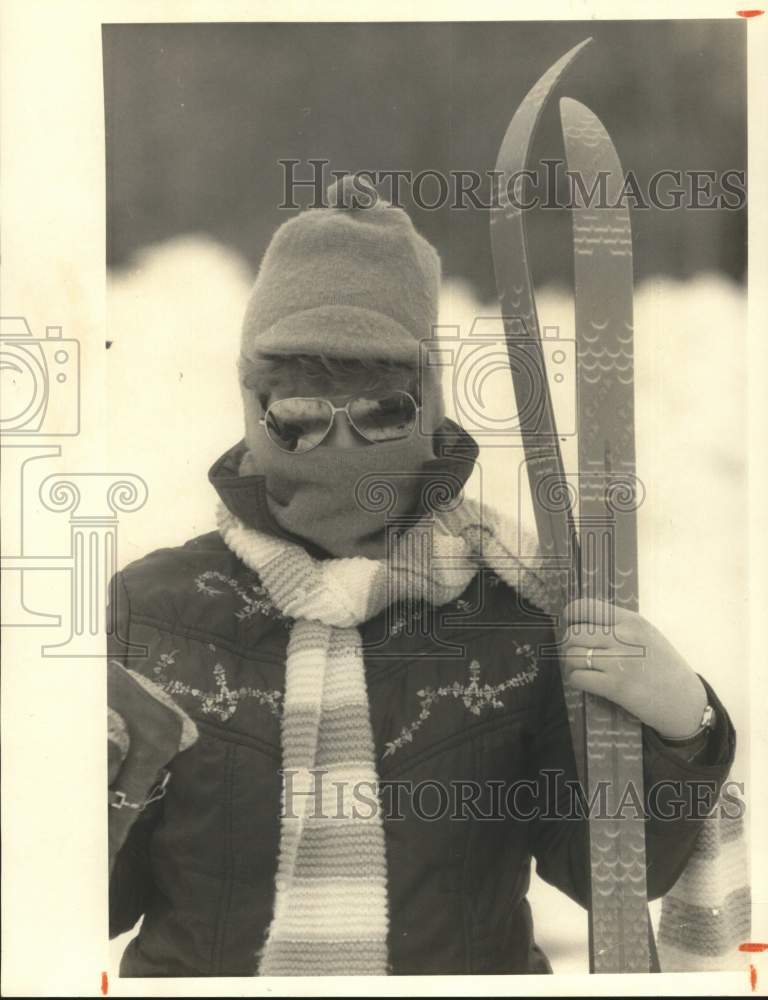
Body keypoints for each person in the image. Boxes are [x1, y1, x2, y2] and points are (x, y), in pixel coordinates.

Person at [107, 175, 737, 977]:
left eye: (381, 412)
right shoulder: (152, 611)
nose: (341, 446)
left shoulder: (513, 612)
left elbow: (616, 873)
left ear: (430, 402)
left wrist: (684, 729)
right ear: (251, 404)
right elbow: (87, 899)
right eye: (298, 417)